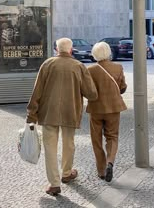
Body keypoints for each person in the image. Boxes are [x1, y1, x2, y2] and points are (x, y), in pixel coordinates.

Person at [26, 37, 98, 196]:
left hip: (48, 112)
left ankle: (54, 184)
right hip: (70, 112)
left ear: (57, 50)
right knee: (69, 143)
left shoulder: (47, 64)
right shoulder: (78, 66)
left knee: (50, 148)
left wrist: (31, 113)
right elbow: (92, 94)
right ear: (71, 50)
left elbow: (37, 91)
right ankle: (66, 173)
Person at [86, 42, 127, 182]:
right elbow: (122, 87)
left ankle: (101, 171)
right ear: (109, 52)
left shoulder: (90, 70)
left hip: (96, 109)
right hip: (113, 108)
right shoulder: (118, 67)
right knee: (112, 136)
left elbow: (87, 90)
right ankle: (110, 161)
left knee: (96, 140)